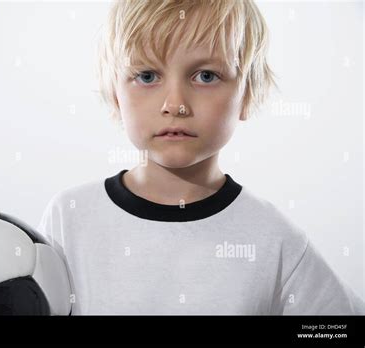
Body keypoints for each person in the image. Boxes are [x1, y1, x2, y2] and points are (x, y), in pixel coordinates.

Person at [37, 0, 365, 315]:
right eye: (147, 76)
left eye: (205, 76)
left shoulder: (275, 240)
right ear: (115, 95)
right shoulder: (69, 217)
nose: (175, 104)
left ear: (248, 94)